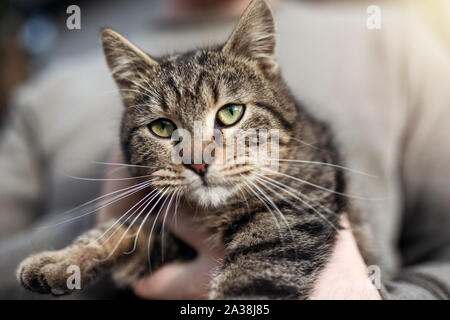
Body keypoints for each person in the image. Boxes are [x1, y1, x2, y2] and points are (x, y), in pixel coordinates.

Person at [1, 0, 449, 299]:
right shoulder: (49, 92)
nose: (199, 156)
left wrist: (364, 294)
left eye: (228, 115)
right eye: (163, 126)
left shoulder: (392, 44)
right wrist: (106, 225)